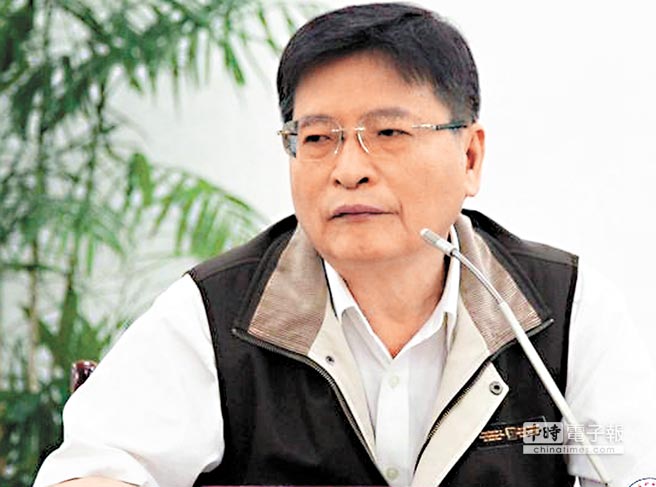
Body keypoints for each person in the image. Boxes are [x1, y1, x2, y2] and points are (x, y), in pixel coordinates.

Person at [34, 3, 655, 487]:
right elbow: (90, 471)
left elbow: (633, 469)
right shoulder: (214, 314)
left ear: (469, 156)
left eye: (388, 133)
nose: (348, 169)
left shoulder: (564, 308)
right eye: (317, 138)